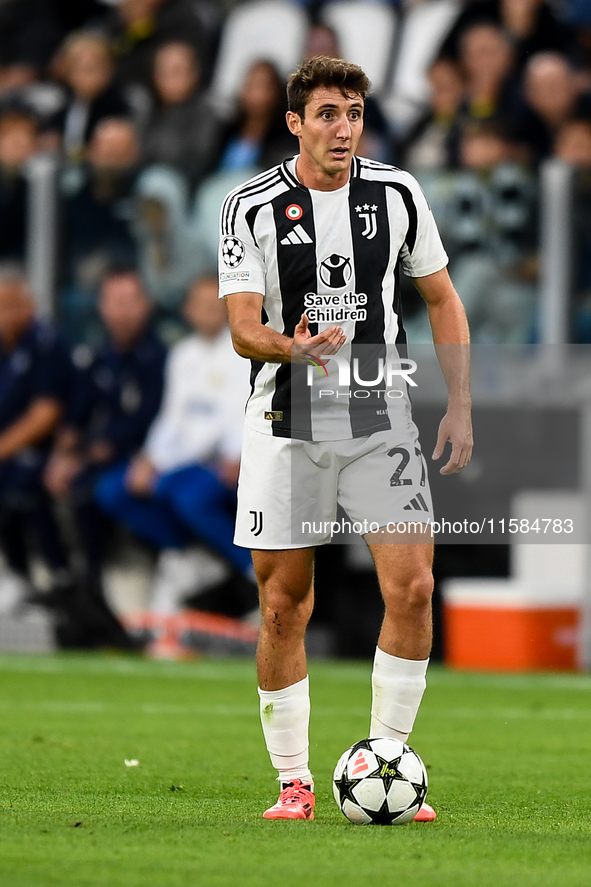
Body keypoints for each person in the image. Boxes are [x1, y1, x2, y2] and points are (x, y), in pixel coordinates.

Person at [219, 56, 473, 821]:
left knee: (415, 587)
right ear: (294, 122)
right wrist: (290, 346)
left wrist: (459, 403)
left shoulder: (397, 194)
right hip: (286, 420)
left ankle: (389, 756)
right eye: (327, 113)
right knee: (282, 604)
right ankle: (293, 780)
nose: (343, 128)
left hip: (378, 415)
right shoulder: (251, 205)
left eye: (354, 113)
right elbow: (239, 328)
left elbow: (440, 298)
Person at [95, 274, 255, 618]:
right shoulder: (182, 354)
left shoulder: (245, 349)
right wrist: (150, 458)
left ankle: (253, 572)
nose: (209, 310)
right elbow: (171, 417)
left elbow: (235, 416)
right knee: (113, 490)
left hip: (226, 461)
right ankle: (187, 554)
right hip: (186, 460)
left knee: (185, 495)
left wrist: (234, 455)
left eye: (216, 302)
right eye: (201, 304)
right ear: (187, 310)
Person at [44, 268, 166, 636]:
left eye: (131, 301)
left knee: (94, 492)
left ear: (146, 305)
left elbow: (149, 420)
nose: (123, 311)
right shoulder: (97, 357)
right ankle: (67, 582)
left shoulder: (158, 358)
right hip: (93, 460)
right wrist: (61, 456)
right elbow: (76, 416)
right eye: (115, 302)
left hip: (137, 459)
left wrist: (86, 455)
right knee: (35, 481)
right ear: (102, 307)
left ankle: (102, 583)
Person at [0, 263, 72, 609]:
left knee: (22, 481)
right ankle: (16, 574)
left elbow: (44, 417)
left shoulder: (46, 344)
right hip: (11, 451)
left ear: (29, 305)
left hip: (50, 451)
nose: (5, 314)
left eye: (11, 305)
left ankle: (58, 575)